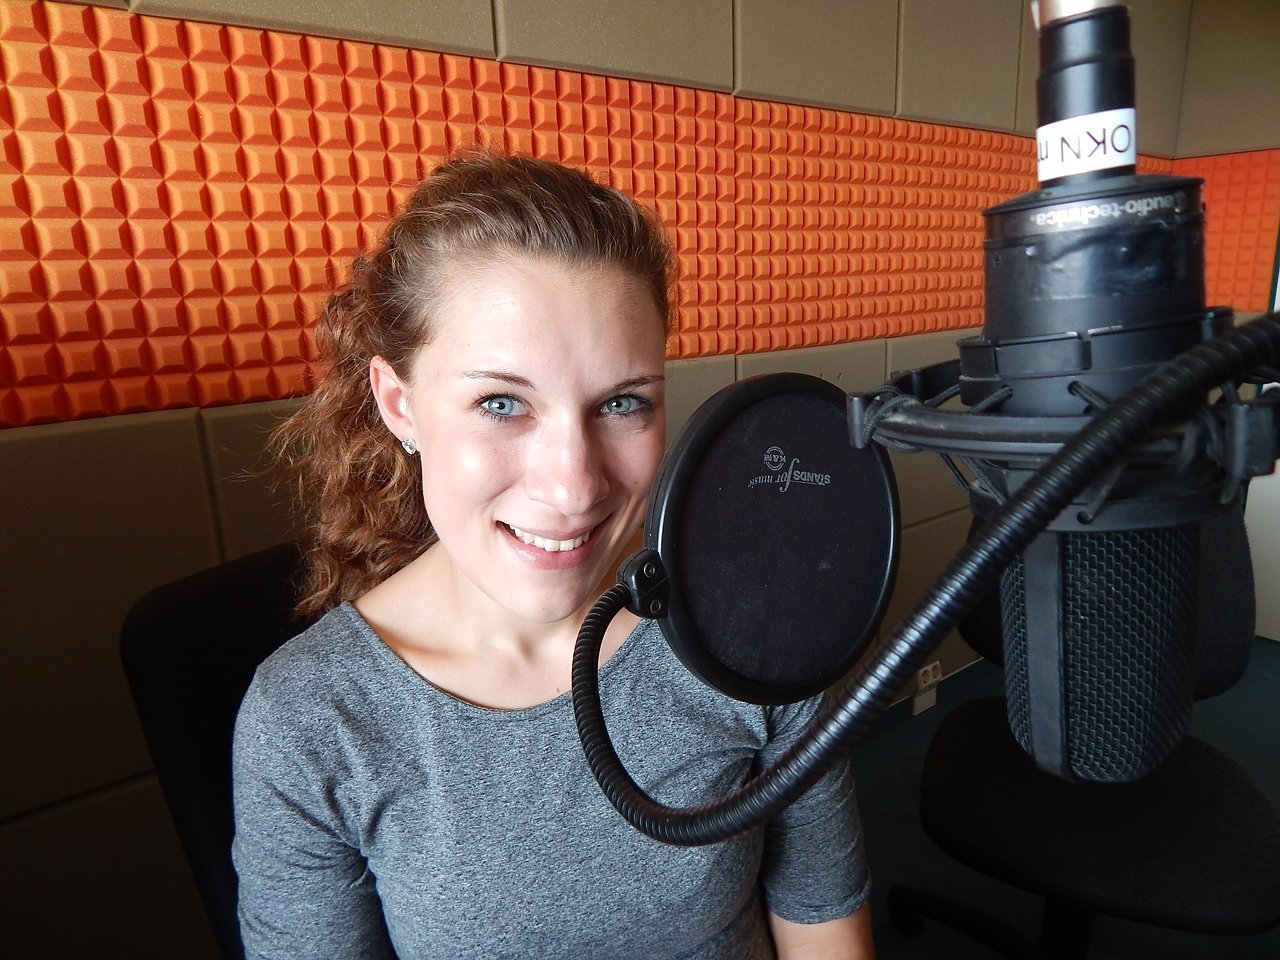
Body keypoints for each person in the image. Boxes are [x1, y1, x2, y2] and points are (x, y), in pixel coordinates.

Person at [232, 153, 874, 959]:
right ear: (400, 404)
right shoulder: (311, 719)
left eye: (622, 402)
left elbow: (823, 922)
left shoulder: (754, 628)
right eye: (501, 403)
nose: (574, 487)